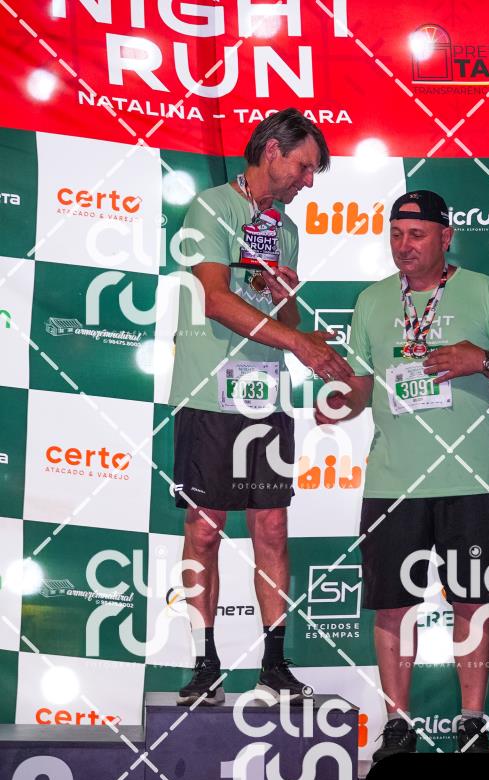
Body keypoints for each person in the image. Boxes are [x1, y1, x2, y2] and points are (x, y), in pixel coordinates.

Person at [315, 189, 489, 754]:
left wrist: (481, 360)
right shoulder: (372, 300)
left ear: (446, 237)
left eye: (416, 235)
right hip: (393, 481)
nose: (404, 246)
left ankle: (471, 723)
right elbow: (361, 387)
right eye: (396, 234)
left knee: (473, 602)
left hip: (470, 480)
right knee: (393, 607)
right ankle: (398, 725)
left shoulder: (481, 291)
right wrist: (339, 403)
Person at [169, 108, 353, 706]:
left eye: (315, 172)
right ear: (271, 150)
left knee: (272, 526)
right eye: (304, 167)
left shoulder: (286, 228)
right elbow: (217, 301)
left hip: (264, 393)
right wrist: (299, 342)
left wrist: (286, 298)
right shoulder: (211, 208)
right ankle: (205, 663)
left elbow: (286, 315)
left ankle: (274, 665)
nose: (309, 181)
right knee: (205, 528)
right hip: (207, 391)